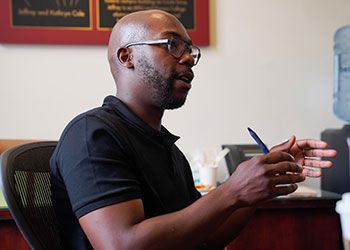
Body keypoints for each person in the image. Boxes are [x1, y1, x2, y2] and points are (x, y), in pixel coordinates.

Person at [50, 9, 337, 250]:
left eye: (189, 50)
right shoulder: (92, 134)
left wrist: (260, 186)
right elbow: (121, 244)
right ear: (127, 57)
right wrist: (232, 190)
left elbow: (204, 238)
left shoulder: (169, 151)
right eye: (172, 45)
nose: (187, 58)